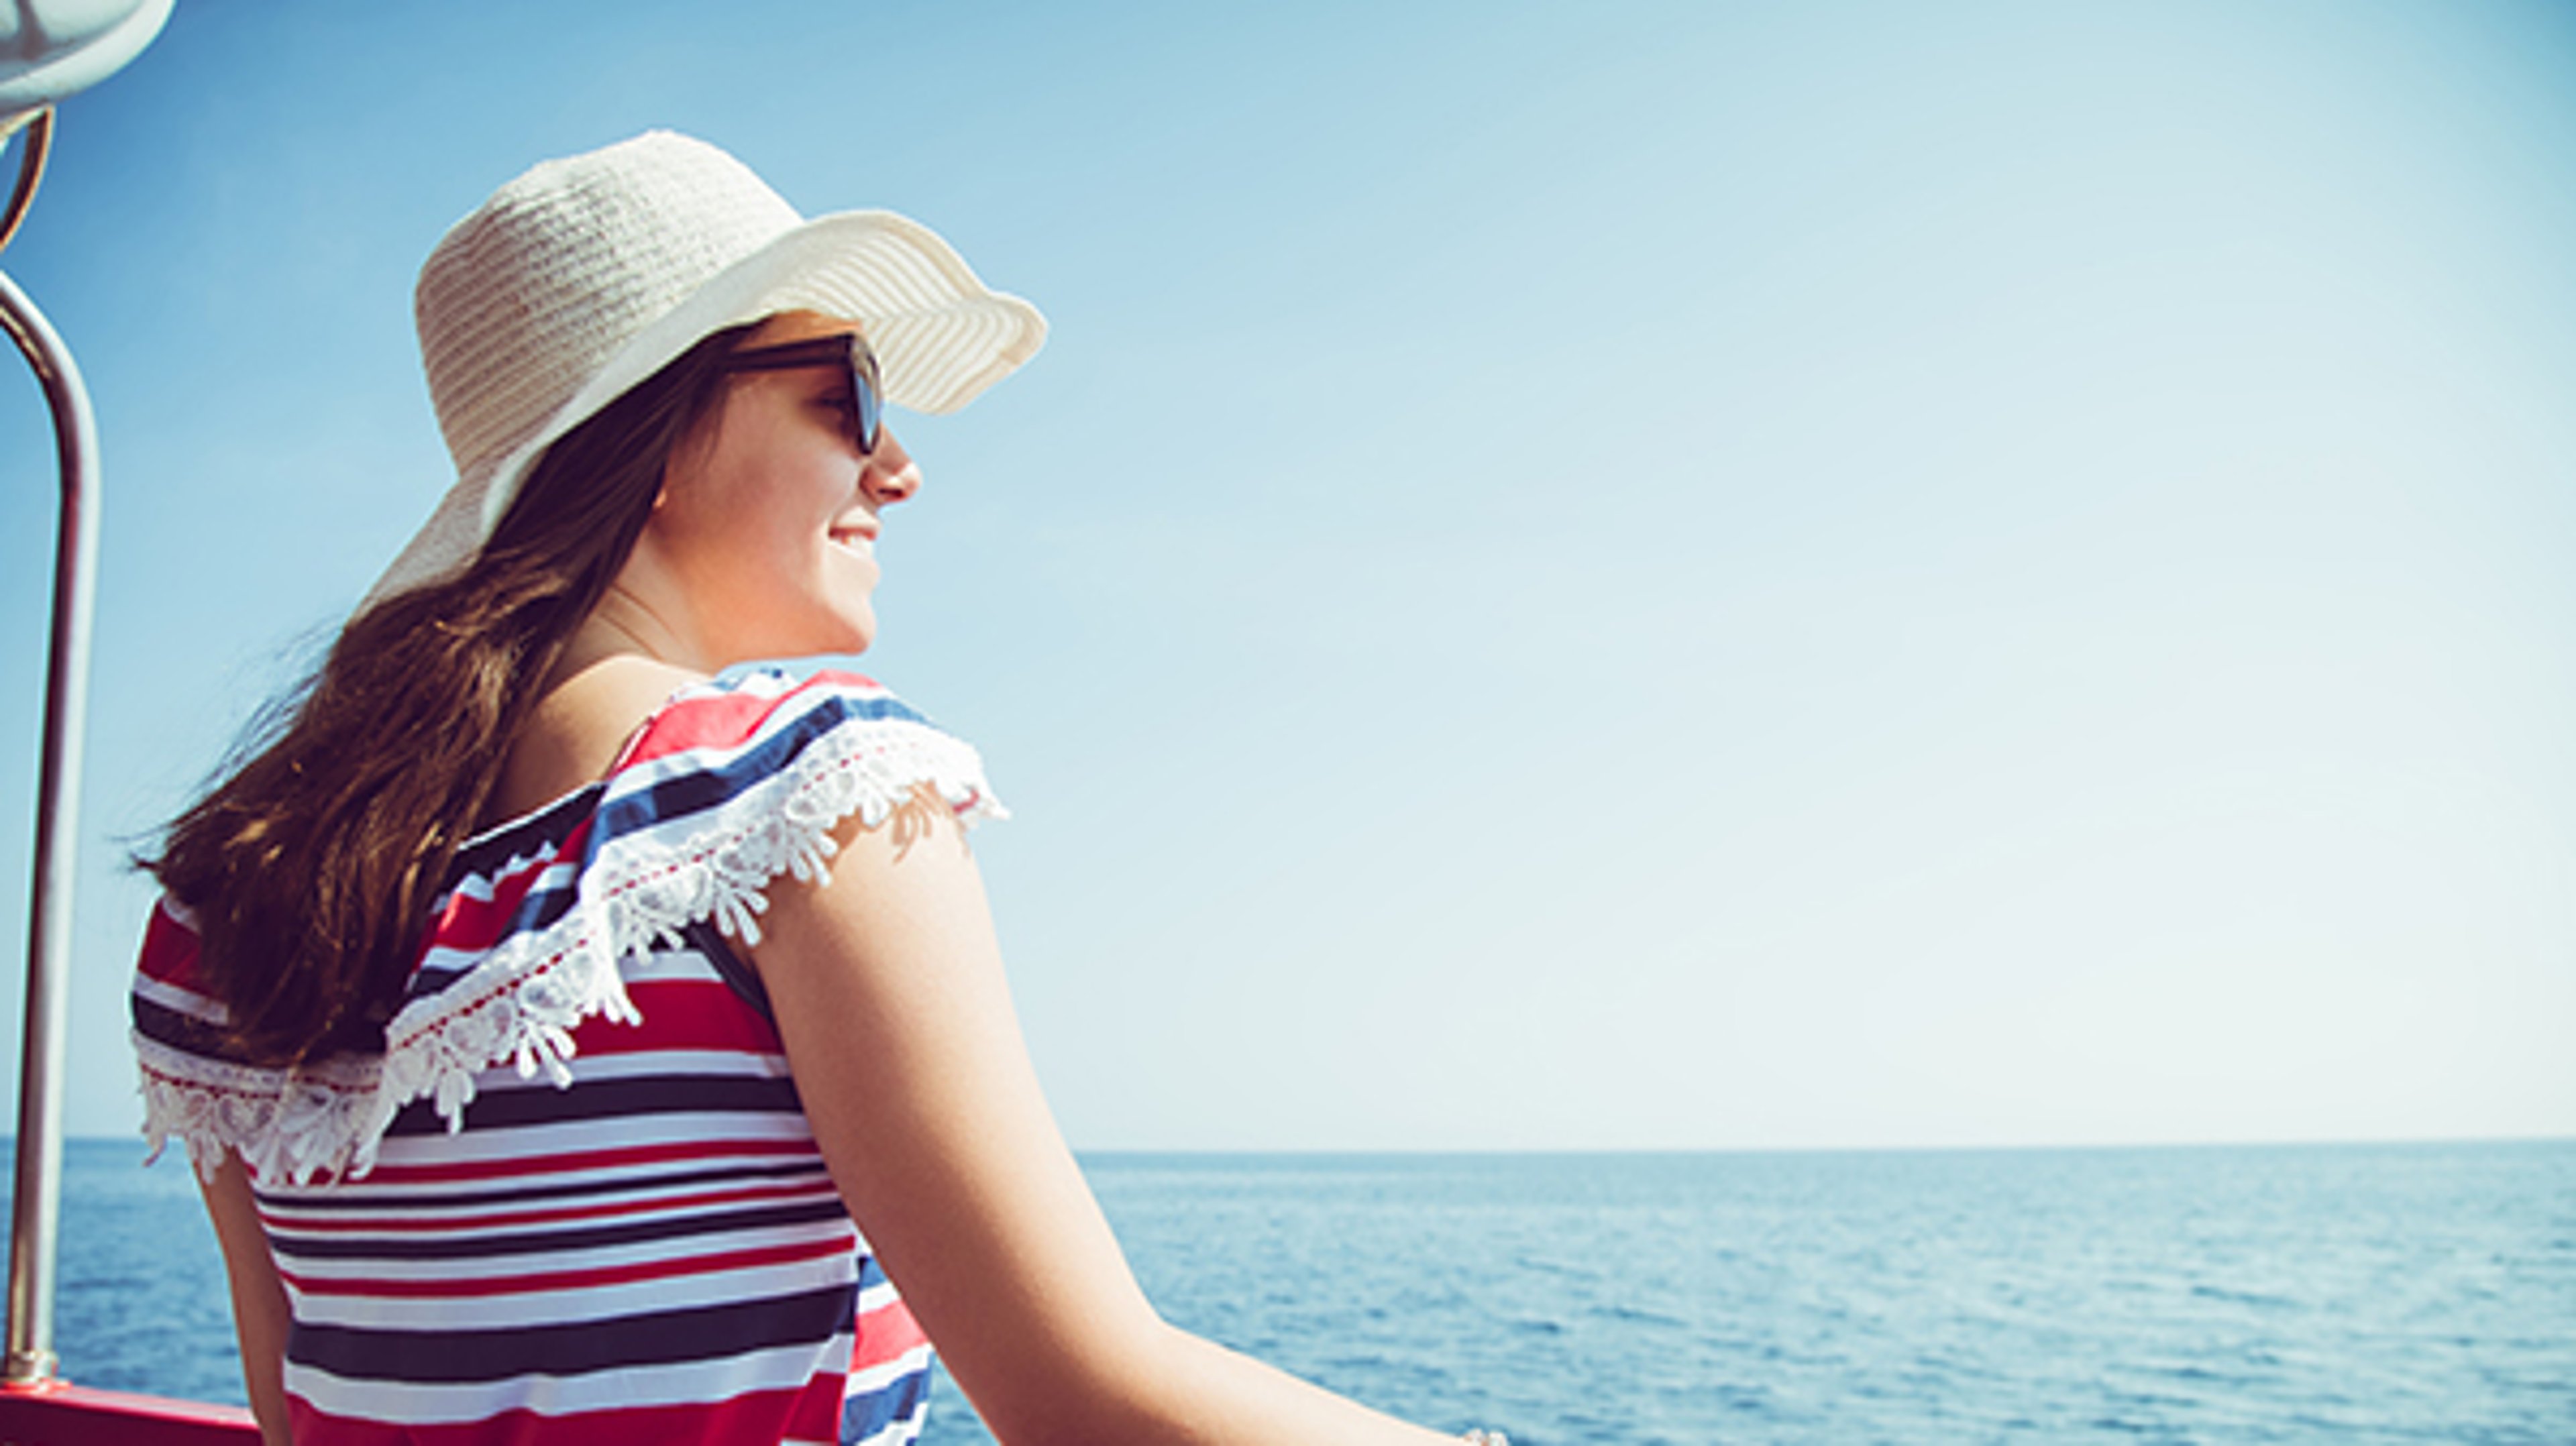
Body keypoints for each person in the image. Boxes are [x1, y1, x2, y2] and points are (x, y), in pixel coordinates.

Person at [129, 131, 1502, 1446]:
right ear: (658, 436)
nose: (898, 469)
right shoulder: (802, 795)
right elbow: (1084, 1403)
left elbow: (295, 1414)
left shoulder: (222, 898)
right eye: (847, 397)